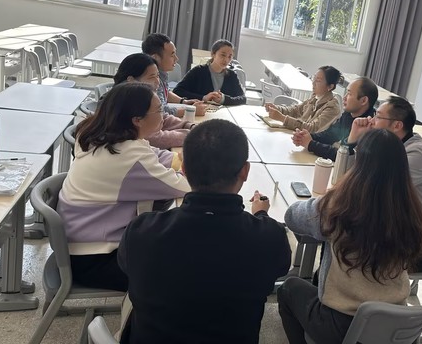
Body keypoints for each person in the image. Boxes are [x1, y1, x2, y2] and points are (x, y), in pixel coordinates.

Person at [117, 120, 291, 343]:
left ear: (184, 169)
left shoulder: (141, 232)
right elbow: (278, 268)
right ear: (245, 171)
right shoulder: (270, 238)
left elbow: (127, 267)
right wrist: (261, 216)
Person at [277, 129, 422, 344]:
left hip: (343, 326)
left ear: (359, 162)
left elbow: (292, 216)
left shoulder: (341, 206)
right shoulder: (410, 210)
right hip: (395, 324)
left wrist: (330, 195)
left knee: (289, 289)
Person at [57, 83, 190, 292]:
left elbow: (153, 155)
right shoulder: (127, 155)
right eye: (159, 110)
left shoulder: (105, 137)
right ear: (137, 119)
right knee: (189, 268)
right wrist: (197, 167)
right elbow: (184, 187)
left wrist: (179, 159)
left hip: (83, 246)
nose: (163, 116)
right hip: (97, 260)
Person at [348, 96, 422, 271]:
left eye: (378, 116)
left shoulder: (415, 155)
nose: (371, 120)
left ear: (397, 125)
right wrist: (354, 139)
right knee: (343, 232)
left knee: (348, 241)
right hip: (402, 231)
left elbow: (371, 189)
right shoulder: (392, 147)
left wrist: (364, 141)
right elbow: (354, 179)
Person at [113, 53, 195, 149]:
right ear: (131, 80)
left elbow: (162, 117)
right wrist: (193, 135)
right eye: (152, 77)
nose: (157, 82)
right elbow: (153, 138)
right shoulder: (123, 103)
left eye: (158, 76)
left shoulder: (138, 97)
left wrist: (189, 126)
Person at [292, 77, 377, 161]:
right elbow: (330, 135)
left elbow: (342, 156)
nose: (344, 97)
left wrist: (311, 144)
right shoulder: (348, 114)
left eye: (349, 94)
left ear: (363, 100)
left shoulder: (369, 126)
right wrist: (305, 137)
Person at [142, 33, 207, 117]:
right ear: (155, 58)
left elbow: (166, 92)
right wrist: (190, 111)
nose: (176, 58)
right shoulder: (149, 79)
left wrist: (183, 101)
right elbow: (159, 111)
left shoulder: (162, 74)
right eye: (172, 55)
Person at [265, 66, 341, 133]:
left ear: (330, 87)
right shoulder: (315, 97)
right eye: (313, 78)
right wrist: (277, 109)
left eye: (318, 81)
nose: (313, 83)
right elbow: (295, 110)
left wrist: (282, 118)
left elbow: (312, 129)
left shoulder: (332, 108)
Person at [173, 39, 246, 106]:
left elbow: (242, 98)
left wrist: (224, 99)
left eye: (230, 56)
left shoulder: (232, 75)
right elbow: (177, 91)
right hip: (200, 111)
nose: (226, 60)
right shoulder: (198, 71)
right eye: (223, 55)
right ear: (213, 54)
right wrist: (203, 97)